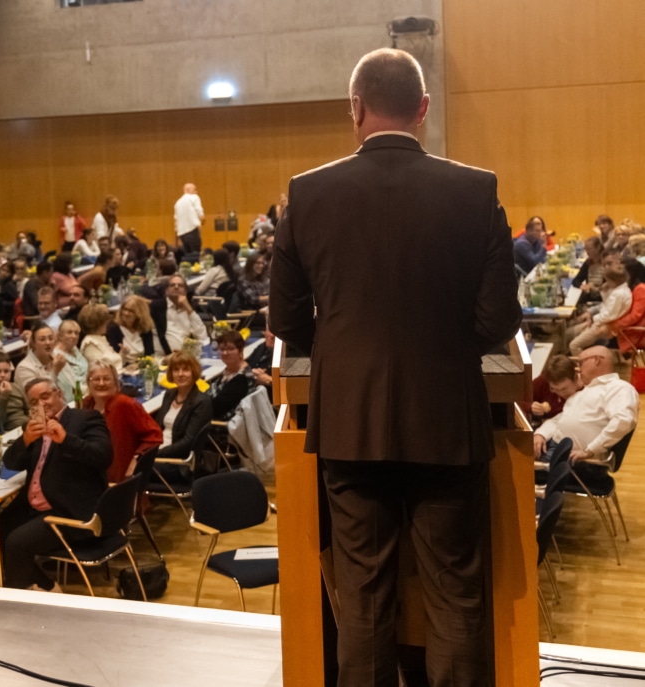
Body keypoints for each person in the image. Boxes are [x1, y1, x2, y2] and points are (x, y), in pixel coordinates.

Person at [269, 49, 521, 686]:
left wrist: (344, 349)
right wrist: (444, 347)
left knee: (362, 599)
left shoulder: (307, 193)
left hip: (349, 422)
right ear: (423, 109)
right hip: (448, 420)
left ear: (355, 108)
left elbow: (288, 323)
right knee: (456, 595)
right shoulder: (477, 190)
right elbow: (497, 321)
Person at [1, 376, 112, 591]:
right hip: (33, 507)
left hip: (67, 510)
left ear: (59, 394)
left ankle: (26, 597)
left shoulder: (86, 418)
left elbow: (103, 456)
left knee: (16, 543)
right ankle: (45, 586)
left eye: (45, 397)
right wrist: (25, 440)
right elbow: (10, 463)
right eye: (34, 402)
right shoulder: (33, 427)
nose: (41, 404)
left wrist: (66, 440)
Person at [534, 346, 638, 464]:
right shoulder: (585, 391)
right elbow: (559, 420)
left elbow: (623, 420)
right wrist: (540, 434)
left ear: (597, 360)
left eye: (581, 362)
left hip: (572, 457)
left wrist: (590, 450)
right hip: (552, 446)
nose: (578, 368)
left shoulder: (618, 387)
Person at [84, 360, 163, 483]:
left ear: (116, 382)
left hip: (119, 480)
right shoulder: (87, 404)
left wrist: (136, 459)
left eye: (106, 379)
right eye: (96, 379)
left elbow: (154, 435)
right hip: (92, 477)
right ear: (88, 383)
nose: (101, 383)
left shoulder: (125, 404)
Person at [151, 351, 213, 459]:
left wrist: (157, 454)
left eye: (185, 369)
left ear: (193, 372)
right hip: (158, 450)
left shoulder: (201, 402)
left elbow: (187, 442)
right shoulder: (170, 394)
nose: (180, 374)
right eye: (176, 369)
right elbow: (158, 427)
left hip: (177, 459)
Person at [567, 263, 631, 356]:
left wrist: (593, 319)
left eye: (607, 280)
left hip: (602, 325)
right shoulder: (619, 290)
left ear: (613, 280)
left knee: (573, 346)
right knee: (567, 334)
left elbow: (609, 315)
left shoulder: (619, 294)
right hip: (600, 321)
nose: (606, 283)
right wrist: (604, 290)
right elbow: (606, 305)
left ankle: (586, 363)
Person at [150, 274, 210, 354]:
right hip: (164, 356)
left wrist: (188, 307)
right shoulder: (157, 307)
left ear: (185, 291)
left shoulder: (189, 309)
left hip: (188, 355)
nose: (176, 287)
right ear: (166, 290)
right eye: (172, 285)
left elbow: (202, 335)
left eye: (180, 285)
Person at [519, 353, 579, 428]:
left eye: (564, 388)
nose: (561, 393)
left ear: (576, 378)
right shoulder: (543, 381)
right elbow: (519, 399)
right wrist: (530, 406)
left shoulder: (587, 390)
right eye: (554, 389)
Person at [208, 330, 255, 422]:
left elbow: (217, 408)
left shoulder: (241, 379)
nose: (225, 353)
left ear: (240, 351)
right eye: (222, 349)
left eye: (230, 349)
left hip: (222, 424)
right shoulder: (230, 369)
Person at [0, 351, 30, 431]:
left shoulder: (16, 386)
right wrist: (3, 398)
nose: (3, 375)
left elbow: (29, 410)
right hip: (8, 432)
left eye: (6, 371)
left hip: (27, 426)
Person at [108, 295, 161, 364]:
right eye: (125, 309)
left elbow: (149, 355)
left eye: (131, 311)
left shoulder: (145, 330)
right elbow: (114, 359)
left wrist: (138, 365)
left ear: (140, 314)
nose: (126, 313)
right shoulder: (114, 330)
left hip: (142, 367)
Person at [52, 319, 88, 404]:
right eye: (69, 332)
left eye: (76, 333)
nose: (74, 336)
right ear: (60, 335)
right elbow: (72, 383)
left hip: (88, 389)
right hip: (75, 396)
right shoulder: (57, 355)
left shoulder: (75, 349)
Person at [14, 323, 57, 392]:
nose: (48, 343)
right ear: (33, 343)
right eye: (42, 339)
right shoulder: (24, 368)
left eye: (51, 338)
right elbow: (41, 394)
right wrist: (55, 371)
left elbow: (73, 384)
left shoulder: (58, 357)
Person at [78, 302, 122, 368]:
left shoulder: (101, 338)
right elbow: (100, 367)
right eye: (106, 319)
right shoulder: (89, 343)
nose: (107, 322)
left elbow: (116, 362)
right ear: (98, 322)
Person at [174, 182, 204, 255]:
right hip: (192, 230)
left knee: (187, 255)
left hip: (182, 233)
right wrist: (202, 220)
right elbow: (199, 211)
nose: (196, 192)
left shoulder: (177, 203)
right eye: (194, 189)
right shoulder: (194, 197)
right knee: (196, 254)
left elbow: (176, 219)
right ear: (187, 190)